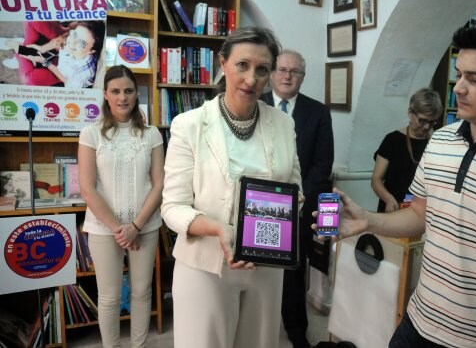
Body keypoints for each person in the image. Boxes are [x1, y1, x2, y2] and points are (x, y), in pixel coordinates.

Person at [317, 20, 476, 347]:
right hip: (418, 321)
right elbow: (420, 215)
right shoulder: (440, 141)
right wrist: (370, 221)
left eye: (475, 78)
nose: (458, 88)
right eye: (459, 73)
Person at [161, 27, 302, 348]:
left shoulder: (283, 124)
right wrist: (218, 229)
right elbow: (173, 207)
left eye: (262, 69)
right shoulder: (189, 124)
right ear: (222, 64)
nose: (251, 78)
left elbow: (294, 189)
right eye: (242, 65)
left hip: (267, 267)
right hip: (205, 266)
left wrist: (299, 217)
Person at [78, 65, 164, 348]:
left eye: (128, 91)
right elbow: (88, 188)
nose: (122, 97)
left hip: (146, 226)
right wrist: (120, 229)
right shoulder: (91, 134)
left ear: (135, 94)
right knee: (110, 297)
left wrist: (136, 226)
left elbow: (159, 184)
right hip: (105, 229)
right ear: (105, 94)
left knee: (142, 292)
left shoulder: (152, 134)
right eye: (115, 91)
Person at [262, 50, 334, 348]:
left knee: (293, 272)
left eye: (294, 71)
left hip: (301, 207)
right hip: (259, 206)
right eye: (281, 69)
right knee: (260, 271)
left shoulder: (318, 112)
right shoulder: (255, 104)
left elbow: (322, 163)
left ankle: (296, 333)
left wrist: (297, 197)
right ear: (272, 73)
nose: (287, 75)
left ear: (302, 77)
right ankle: (259, 329)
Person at [371, 88, 442, 213]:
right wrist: (388, 199)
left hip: (419, 212)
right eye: (422, 120)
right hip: (393, 209)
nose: (427, 127)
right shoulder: (392, 140)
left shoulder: (436, 143)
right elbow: (376, 180)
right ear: (410, 113)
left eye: (432, 122)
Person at [23, 21, 105, 88]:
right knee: (34, 21)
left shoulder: (78, 75)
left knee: (31, 80)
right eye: (75, 35)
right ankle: (22, 48)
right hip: (62, 52)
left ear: (91, 51)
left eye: (81, 43)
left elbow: (64, 78)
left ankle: (19, 50)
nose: (72, 43)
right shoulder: (72, 37)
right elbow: (65, 38)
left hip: (63, 72)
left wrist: (44, 61)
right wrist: (43, 48)